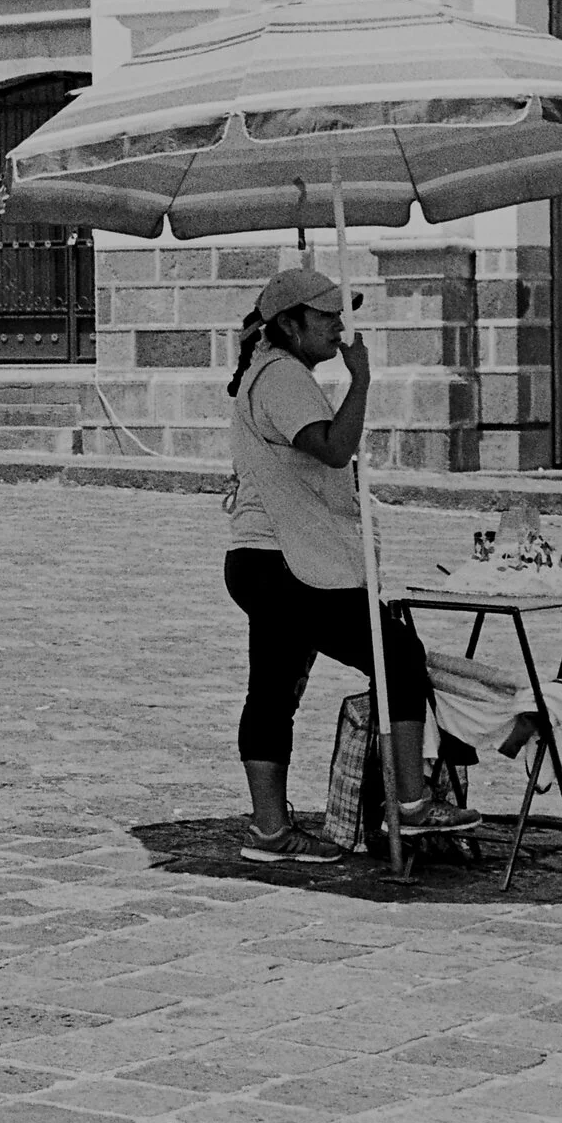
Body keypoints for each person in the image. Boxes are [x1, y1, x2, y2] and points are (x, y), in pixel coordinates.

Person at [222, 269, 481, 863]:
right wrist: (361, 381)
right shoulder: (283, 376)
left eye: (342, 315)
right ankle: (411, 805)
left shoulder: (275, 371)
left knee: (272, 690)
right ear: (289, 324)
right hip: (287, 563)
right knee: (397, 657)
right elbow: (334, 447)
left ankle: (270, 832)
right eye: (328, 318)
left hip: (266, 560)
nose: (341, 328)